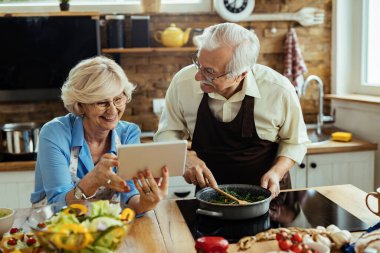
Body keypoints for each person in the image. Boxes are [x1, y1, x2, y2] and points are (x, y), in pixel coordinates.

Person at [154, 23, 309, 197]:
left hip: (267, 199)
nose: (198, 76)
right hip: (209, 198)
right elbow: (166, 133)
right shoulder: (183, 83)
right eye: (198, 64)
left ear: (242, 74)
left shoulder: (278, 90)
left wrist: (277, 172)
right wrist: (183, 158)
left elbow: (296, 141)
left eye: (210, 72)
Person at [31, 56, 169, 215]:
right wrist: (92, 181)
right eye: (102, 103)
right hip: (56, 227)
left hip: (101, 223)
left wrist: (146, 203)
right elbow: (58, 206)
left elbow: (129, 198)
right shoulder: (54, 133)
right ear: (81, 105)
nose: (112, 110)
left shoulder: (128, 134)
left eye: (118, 99)